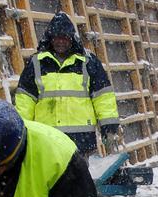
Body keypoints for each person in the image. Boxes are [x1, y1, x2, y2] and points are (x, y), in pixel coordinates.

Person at [13, 12, 121, 156]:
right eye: (57, 37)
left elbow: (103, 98)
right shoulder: (36, 64)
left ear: (72, 39)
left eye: (64, 37)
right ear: (50, 39)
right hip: (48, 140)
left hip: (82, 142)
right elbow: (25, 102)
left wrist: (109, 128)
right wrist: (20, 132)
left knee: (82, 178)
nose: (60, 42)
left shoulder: (88, 63)